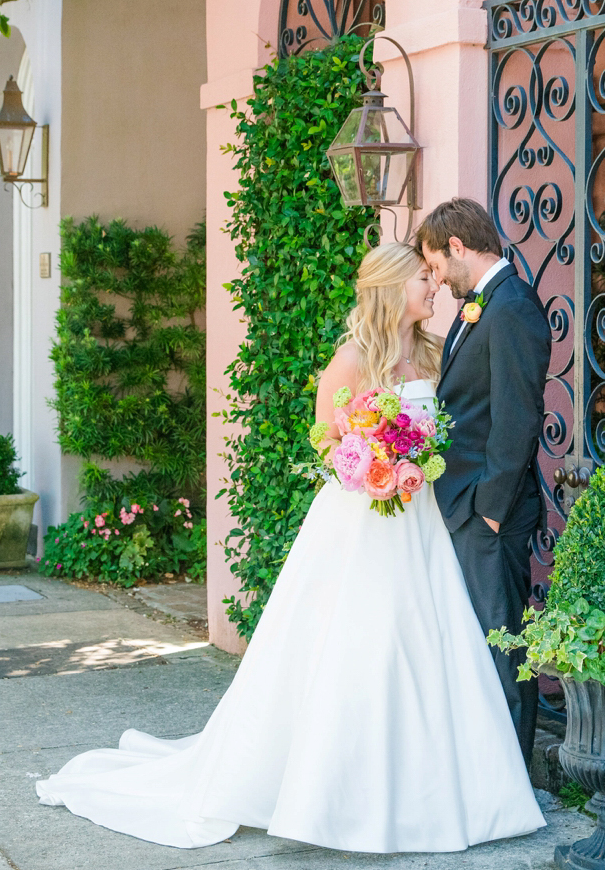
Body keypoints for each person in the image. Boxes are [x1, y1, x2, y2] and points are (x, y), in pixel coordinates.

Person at [36, 241, 545, 853]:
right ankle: (344, 796)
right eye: (422, 279)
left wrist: (414, 461)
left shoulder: (435, 354)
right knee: (365, 648)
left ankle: (443, 790)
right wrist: (371, 462)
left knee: (431, 646)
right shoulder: (354, 360)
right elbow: (328, 441)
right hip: (365, 522)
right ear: (392, 289)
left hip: (423, 522)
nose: (433, 287)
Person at [416, 198, 552, 771]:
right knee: (480, 640)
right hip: (466, 505)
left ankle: (513, 774)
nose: (437, 279)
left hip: (487, 510)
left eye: (436, 265)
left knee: (502, 642)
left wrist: (490, 511)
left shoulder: (512, 307)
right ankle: (483, 768)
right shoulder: (483, 305)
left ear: (456, 247)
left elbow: (518, 418)